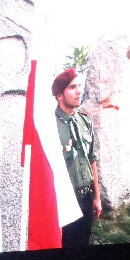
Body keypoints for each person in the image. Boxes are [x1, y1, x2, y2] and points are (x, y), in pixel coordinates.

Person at [51, 68, 101, 247]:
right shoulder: (50, 125)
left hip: (86, 196)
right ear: (59, 95)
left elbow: (92, 159)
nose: (79, 91)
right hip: (65, 199)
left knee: (83, 242)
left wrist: (97, 196)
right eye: (72, 87)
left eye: (79, 86)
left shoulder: (85, 121)